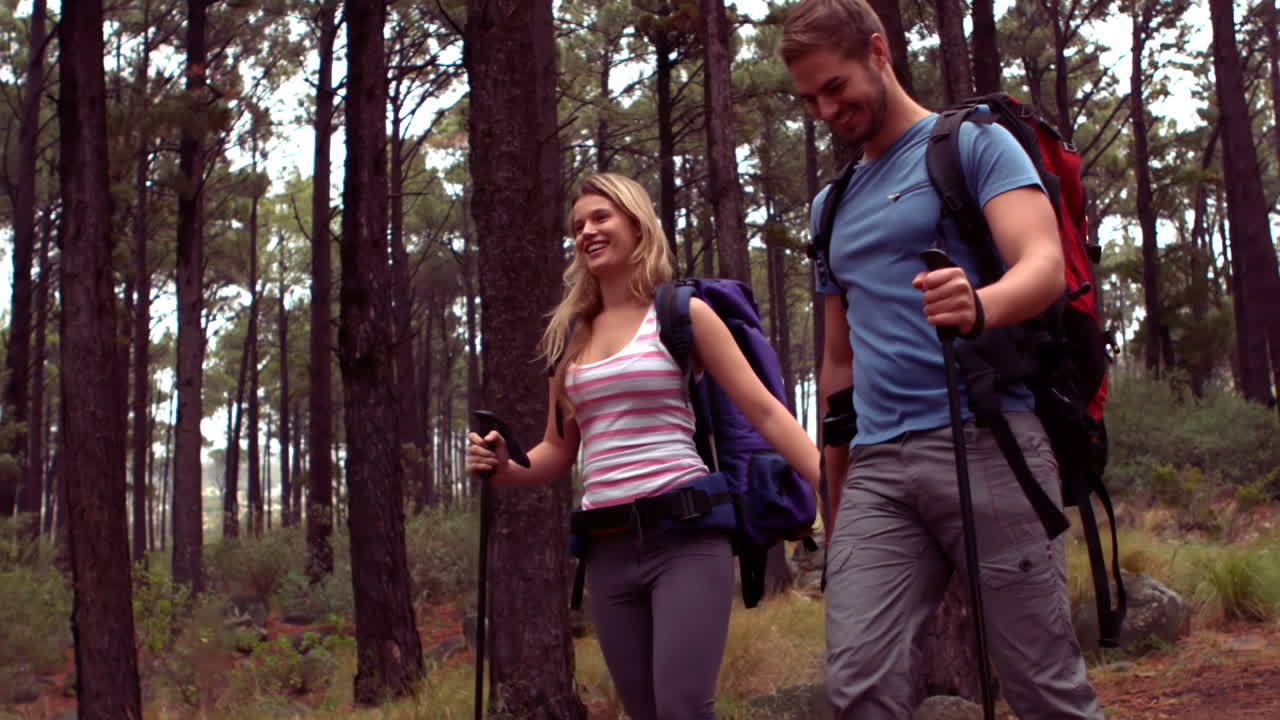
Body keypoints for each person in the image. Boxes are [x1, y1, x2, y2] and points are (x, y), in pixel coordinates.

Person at [779, 1, 1104, 718]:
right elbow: (838, 363)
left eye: (834, 87)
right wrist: (835, 499)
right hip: (877, 468)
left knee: (1042, 686)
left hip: (990, 441)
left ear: (877, 50)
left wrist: (981, 303)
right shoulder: (830, 207)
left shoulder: (975, 145)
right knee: (857, 684)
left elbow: (1043, 263)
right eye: (809, 99)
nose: (826, 109)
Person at [465, 173, 821, 720]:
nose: (587, 231)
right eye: (578, 225)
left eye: (601, 217)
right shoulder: (570, 339)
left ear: (636, 223)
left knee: (683, 709)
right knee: (645, 712)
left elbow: (766, 411)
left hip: (687, 537)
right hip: (606, 550)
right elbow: (557, 452)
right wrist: (502, 465)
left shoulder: (682, 315)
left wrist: (834, 481)